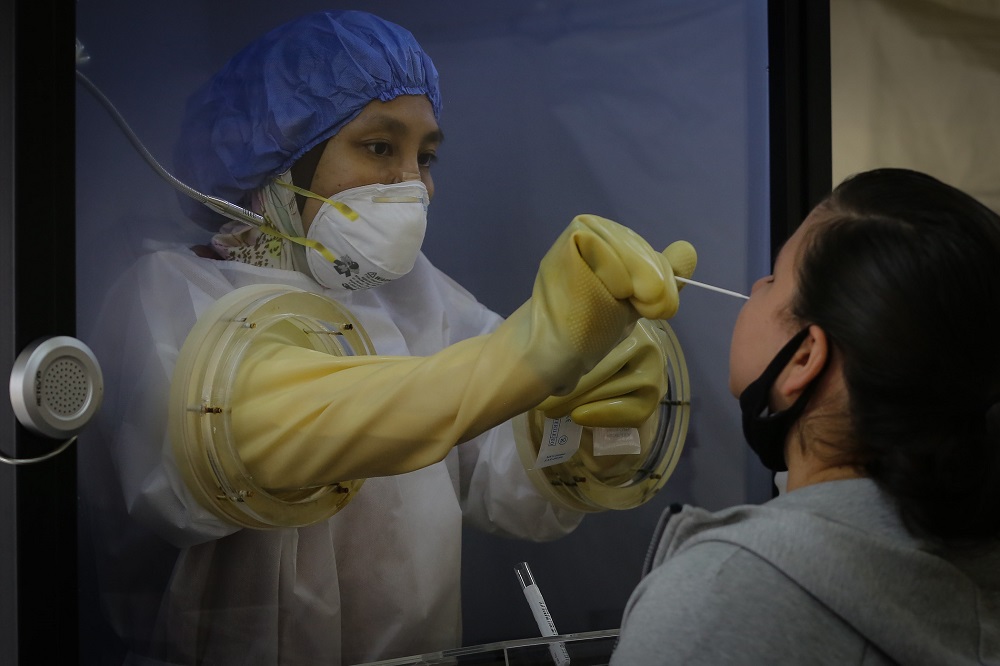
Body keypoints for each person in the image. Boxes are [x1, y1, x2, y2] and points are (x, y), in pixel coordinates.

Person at [78, 9, 697, 666]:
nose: (415, 186)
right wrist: (526, 357)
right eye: (380, 147)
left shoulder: (414, 296)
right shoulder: (169, 294)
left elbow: (506, 478)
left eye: (425, 157)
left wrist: (578, 416)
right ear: (278, 157)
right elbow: (233, 443)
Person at [609, 168, 1000, 665]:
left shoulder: (725, 598)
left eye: (773, 277)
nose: (754, 285)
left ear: (804, 357)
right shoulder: (973, 577)